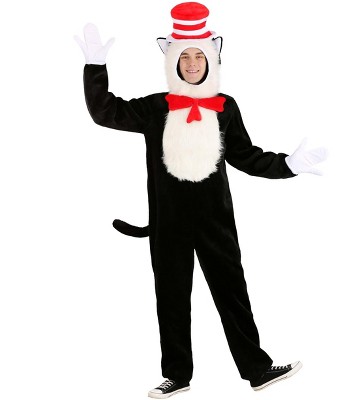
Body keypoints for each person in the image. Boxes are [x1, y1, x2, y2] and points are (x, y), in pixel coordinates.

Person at [75, 2, 327, 398]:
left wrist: (288, 165)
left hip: (215, 220)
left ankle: (258, 370)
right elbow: (105, 112)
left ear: (212, 58)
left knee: (233, 293)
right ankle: (176, 376)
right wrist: (95, 67)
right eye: (185, 56)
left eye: (198, 56)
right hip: (168, 222)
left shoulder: (225, 107)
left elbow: (245, 156)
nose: (192, 63)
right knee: (171, 299)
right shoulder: (155, 107)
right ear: (172, 60)